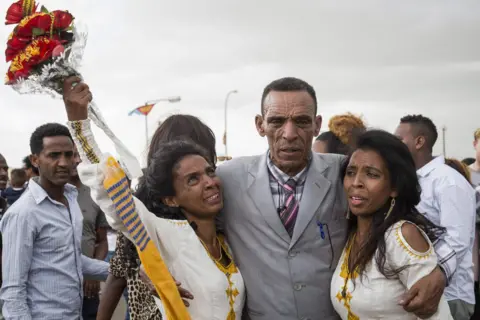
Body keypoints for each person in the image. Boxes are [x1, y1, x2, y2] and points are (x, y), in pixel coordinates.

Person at [214, 77, 447, 320]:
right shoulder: (228, 179)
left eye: (302, 121)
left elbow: (402, 219)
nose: (290, 133)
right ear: (260, 125)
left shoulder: (346, 172)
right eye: (276, 121)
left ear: (316, 125)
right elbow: (192, 231)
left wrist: (436, 273)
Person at [62, 77, 246, 320]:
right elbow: (109, 188)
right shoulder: (165, 234)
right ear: (170, 199)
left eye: (209, 171)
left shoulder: (227, 238)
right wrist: (79, 122)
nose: (210, 182)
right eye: (192, 179)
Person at [331, 129, 453, 319]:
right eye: (351, 172)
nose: (356, 182)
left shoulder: (402, 236)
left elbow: (438, 315)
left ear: (394, 188)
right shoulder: (352, 235)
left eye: (371, 174)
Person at [0, 123, 109, 319]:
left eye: (69, 155)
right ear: (35, 160)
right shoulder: (23, 213)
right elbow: (13, 292)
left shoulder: (71, 199)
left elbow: (71, 259)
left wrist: (125, 272)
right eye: (54, 155)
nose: (64, 163)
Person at [395, 115, 476, 320]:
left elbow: (458, 240)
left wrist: (431, 279)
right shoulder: (412, 180)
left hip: (448, 297)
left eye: (399, 140)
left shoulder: (448, 182)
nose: (394, 147)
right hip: (417, 294)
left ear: (419, 141)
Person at [70, 147, 109, 320]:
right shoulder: (53, 195)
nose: (76, 160)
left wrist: (93, 275)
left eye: (79, 155)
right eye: (72, 155)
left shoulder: (95, 194)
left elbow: (102, 241)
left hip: (88, 283)